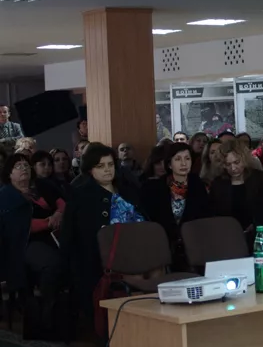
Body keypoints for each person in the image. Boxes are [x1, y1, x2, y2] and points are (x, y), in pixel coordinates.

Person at [61, 143, 144, 319]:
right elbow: (70, 237)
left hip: (136, 253)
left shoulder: (128, 190)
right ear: (90, 169)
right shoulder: (80, 196)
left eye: (110, 164)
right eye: (100, 166)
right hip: (98, 263)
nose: (107, 170)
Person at [0, 154, 66, 334]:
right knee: (52, 264)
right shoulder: (6, 196)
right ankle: (44, 316)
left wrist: (58, 214)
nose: (24, 169)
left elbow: (62, 203)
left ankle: (59, 315)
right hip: (22, 243)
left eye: (26, 165)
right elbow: (19, 226)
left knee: (73, 258)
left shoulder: (40, 187)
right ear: (9, 174)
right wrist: (48, 222)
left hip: (53, 236)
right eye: (18, 166)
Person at [141, 143, 212, 268]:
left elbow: (205, 216)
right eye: (178, 159)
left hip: (194, 243)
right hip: (163, 244)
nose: (184, 163)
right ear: (169, 164)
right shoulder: (154, 187)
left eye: (187, 158)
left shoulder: (198, 185)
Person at [210, 140, 263, 250]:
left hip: (258, 237)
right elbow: (215, 214)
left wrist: (256, 224)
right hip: (228, 239)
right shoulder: (218, 184)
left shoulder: (259, 179)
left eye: (237, 162)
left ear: (244, 159)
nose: (233, 168)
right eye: (228, 164)